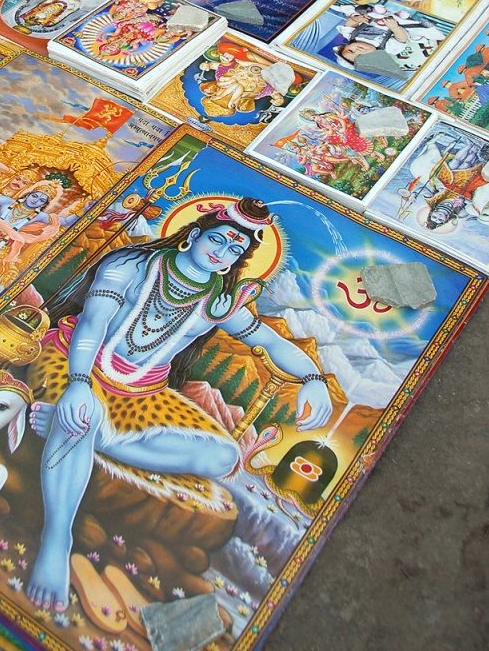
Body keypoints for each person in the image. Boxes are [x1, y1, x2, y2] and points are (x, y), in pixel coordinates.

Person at [24, 199, 333, 611]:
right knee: (82, 411)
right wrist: (80, 384)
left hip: (142, 396)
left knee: (223, 455)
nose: (221, 252)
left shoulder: (221, 303)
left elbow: (271, 343)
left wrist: (314, 379)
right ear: (193, 235)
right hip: (74, 364)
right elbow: (92, 323)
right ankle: (56, 540)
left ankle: (101, 439)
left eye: (233, 250)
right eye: (218, 239)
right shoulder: (131, 265)